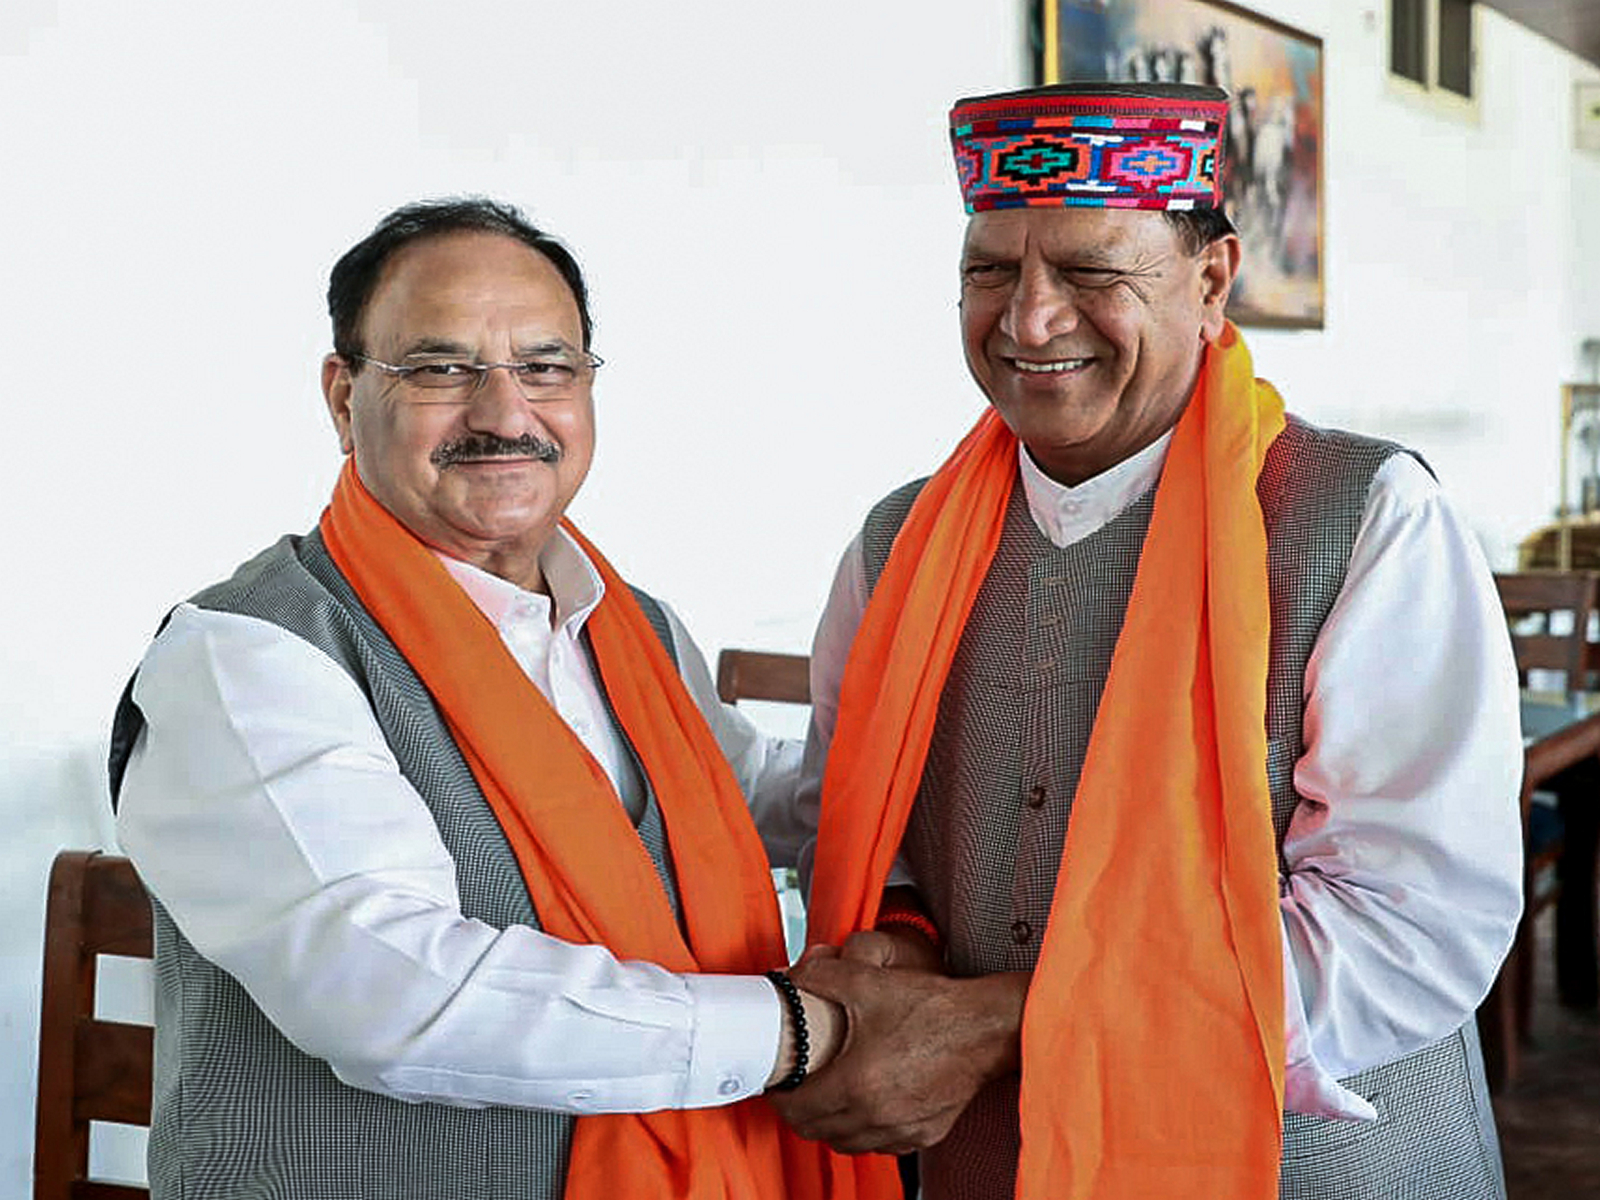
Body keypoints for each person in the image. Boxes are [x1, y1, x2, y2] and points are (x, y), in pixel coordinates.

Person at [773, 83, 1523, 1200]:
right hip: (995, 1158)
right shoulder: (894, 544)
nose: (1028, 319)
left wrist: (996, 1022)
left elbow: (1408, 925)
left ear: (1211, 282)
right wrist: (904, 944)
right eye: (990, 272)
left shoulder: (1361, 518)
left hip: (1303, 1166)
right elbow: (865, 837)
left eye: (1089, 273)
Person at [109, 198, 901, 1200]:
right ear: (341, 393)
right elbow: (397, 995)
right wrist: (804, 1028)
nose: (502, 412)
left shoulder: (627, 624)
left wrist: (959, 793)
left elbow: (746, 797)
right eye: (441, 368)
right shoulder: (247, 656)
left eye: (545, 367)